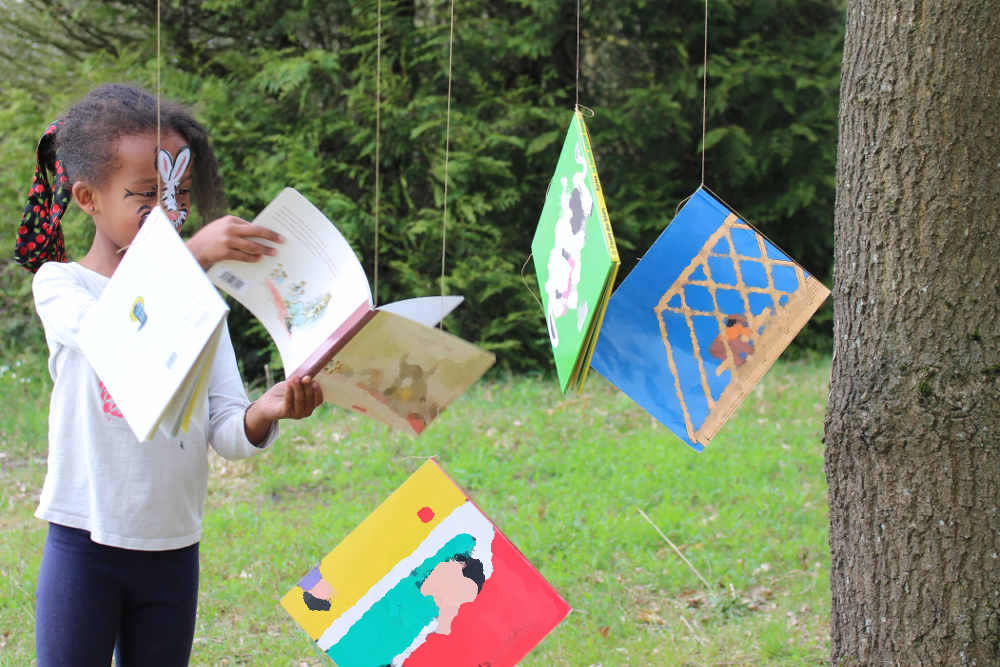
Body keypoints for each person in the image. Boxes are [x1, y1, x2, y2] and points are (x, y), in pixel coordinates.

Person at [17, 83, 324, 667]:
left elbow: (227, 428)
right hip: (86, 542)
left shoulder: (202, 303)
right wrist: (194, 256)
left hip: (173, 549)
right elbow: (111, 337)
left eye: (179, 193)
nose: (172, 213)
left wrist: (269, 410)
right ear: (87, 197)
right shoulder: (62, 286)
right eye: (147, 194)